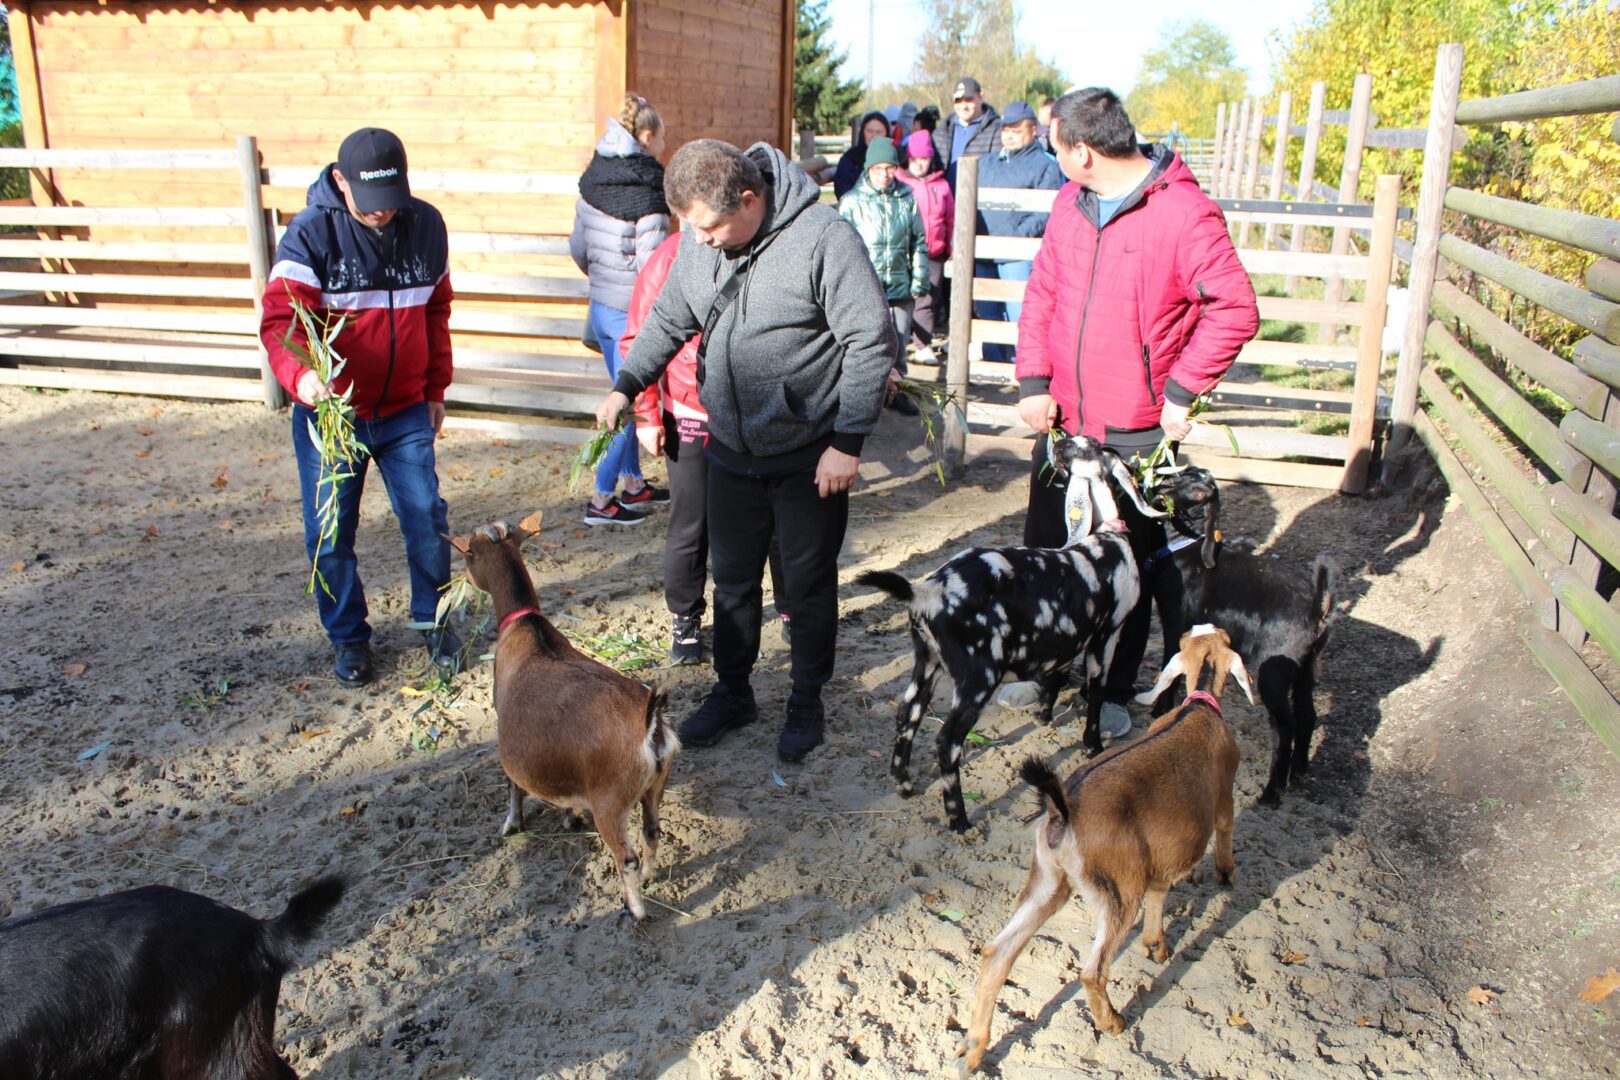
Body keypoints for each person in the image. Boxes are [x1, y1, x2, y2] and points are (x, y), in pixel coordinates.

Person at [595, 140, 892, 763]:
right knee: (731, 581)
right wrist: (627, 385)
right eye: (690, 227)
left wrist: (847, 442)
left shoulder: (824, 238)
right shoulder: (699, 245)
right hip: (729, 448)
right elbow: (669, 319)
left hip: (809, 454)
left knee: (807, 585)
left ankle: (806, 699)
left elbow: (869, 340)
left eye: (708, 227)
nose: (699, 240)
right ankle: (733, 692)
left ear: (749, 200)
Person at [1011, 87, 1259, 737]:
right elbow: (1043, 291)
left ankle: (1111, 692)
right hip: (1064, 423)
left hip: (1134, 433)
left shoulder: (1184, 214)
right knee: (1047, 556)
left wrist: (1181, 389)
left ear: (1083, 152)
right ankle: (1042, 670)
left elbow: (1234, 307)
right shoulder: (1070, 203)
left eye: (1055, 147)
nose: (1054, 158)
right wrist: (1034, 379)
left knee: (1123, 572)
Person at [260, 127, 460, 688]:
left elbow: (436, 311)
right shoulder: (310, 235)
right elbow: (281, 323)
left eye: (390, 199)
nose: (381, 212)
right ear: (340, 181)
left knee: (427, 518)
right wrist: (303, 377)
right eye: (370, 201)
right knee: (329, 533)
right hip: (334, 416)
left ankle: (434, 620)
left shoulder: (425, 225)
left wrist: (435, 388)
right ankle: (348, 637)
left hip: (405, 410)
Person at [622, 233, 792, 664]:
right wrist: (646, 413)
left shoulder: (768, 246)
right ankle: (685, 618)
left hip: (755, 410)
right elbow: (641, 335)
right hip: (690, 409)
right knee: (691, 522)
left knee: (773, 516)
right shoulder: (670, 256)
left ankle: (791, 608)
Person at [570, 94, 672, 526]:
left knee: (622, 389)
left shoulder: (593, 178)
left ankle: (632, 483)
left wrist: (602, 281)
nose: (665, 144)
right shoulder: (649, 189)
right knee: (628, 402)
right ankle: (601, 498)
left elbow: (578, 246)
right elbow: (654, 266)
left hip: (602, 307)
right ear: (646, 137)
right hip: (634, 313)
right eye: (662, 137)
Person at [838, 137, 927, 414]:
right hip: (867, 286)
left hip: (900, 282)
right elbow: (842, 247)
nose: (884, 175)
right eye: (878, 169)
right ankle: (864, 397)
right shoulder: (852, 202)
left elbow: (918, 241)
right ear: (869, 169)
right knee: (868, 342)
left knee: (899, 341)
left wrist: (919, 279)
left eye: (890, 168)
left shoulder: (906, 198)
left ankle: (898, 392)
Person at [973, 100, 1064, 363]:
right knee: (988, 315)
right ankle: (992, 368)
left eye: (1016, 130)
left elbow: (1046, 212)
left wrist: (1017, 236)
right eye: (1006, 130)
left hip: (1018, 256)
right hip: (985, 252)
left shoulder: (1045, 166)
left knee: (1020, 316)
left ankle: (1022, 368)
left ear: (1033, 130)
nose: (1009, 135)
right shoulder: (986, 163)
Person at [893, 130, 953, 365]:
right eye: (915, 158)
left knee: (927, 299)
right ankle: (897, 344)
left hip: (933, 253)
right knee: (901, 299)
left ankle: (923, 344)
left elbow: (951, 219)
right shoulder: (900, 182)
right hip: (904, 251)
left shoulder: (942, 185)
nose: (920, 164)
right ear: (908, 158)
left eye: (924, 159)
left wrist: (952, 249)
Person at [932, 76, 1003, 189]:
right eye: (958, 100)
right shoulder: (941, 132)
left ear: (981, 97)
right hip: (946, 197)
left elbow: (997, 171)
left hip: (977, 197)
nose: (963, 106)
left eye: (969, 100)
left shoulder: (996, 129)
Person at [834, 110, 891, 200]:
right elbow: (842, 189)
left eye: (878, 132)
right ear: (863, 132)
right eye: (869, 131)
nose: (873, 136)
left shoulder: (894, 159)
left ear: (886, 134)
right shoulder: (851, 158)